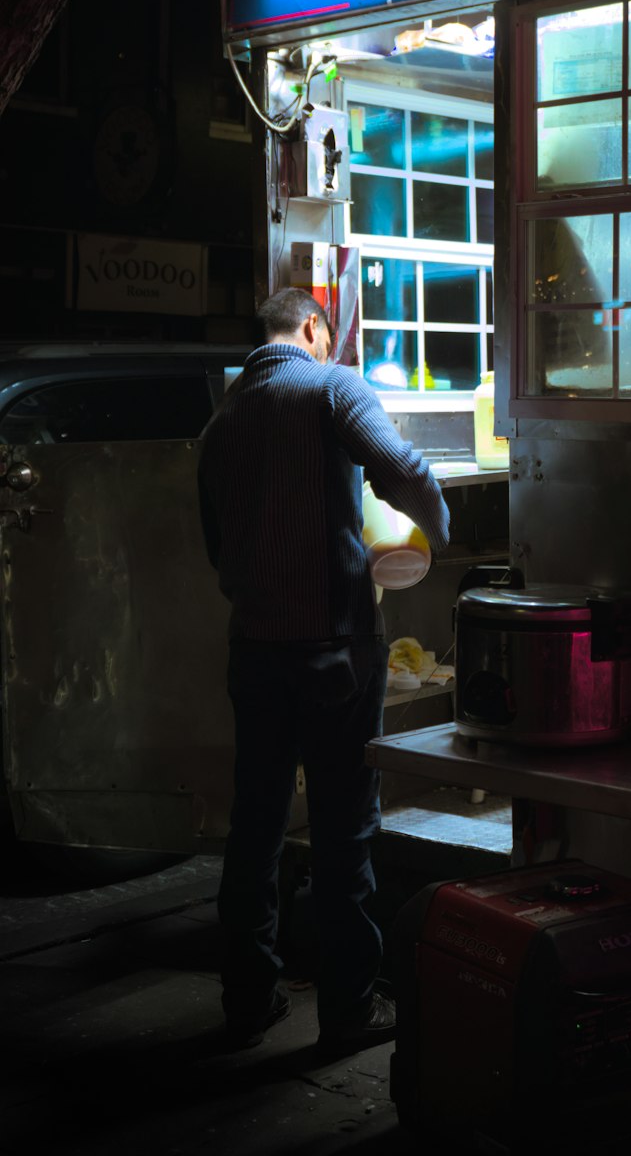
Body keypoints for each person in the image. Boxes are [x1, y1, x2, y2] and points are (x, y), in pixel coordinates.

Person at [198, 286, 450, 1051]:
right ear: (314, 328)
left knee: (258, 825)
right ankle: (347, 1010)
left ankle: (248, 1000)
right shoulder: (333, 385)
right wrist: (438, 532)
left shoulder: (222, 419)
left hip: (255, 650)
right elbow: (401, 467)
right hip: (334, 649)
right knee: (345, 829)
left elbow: (217, 547)